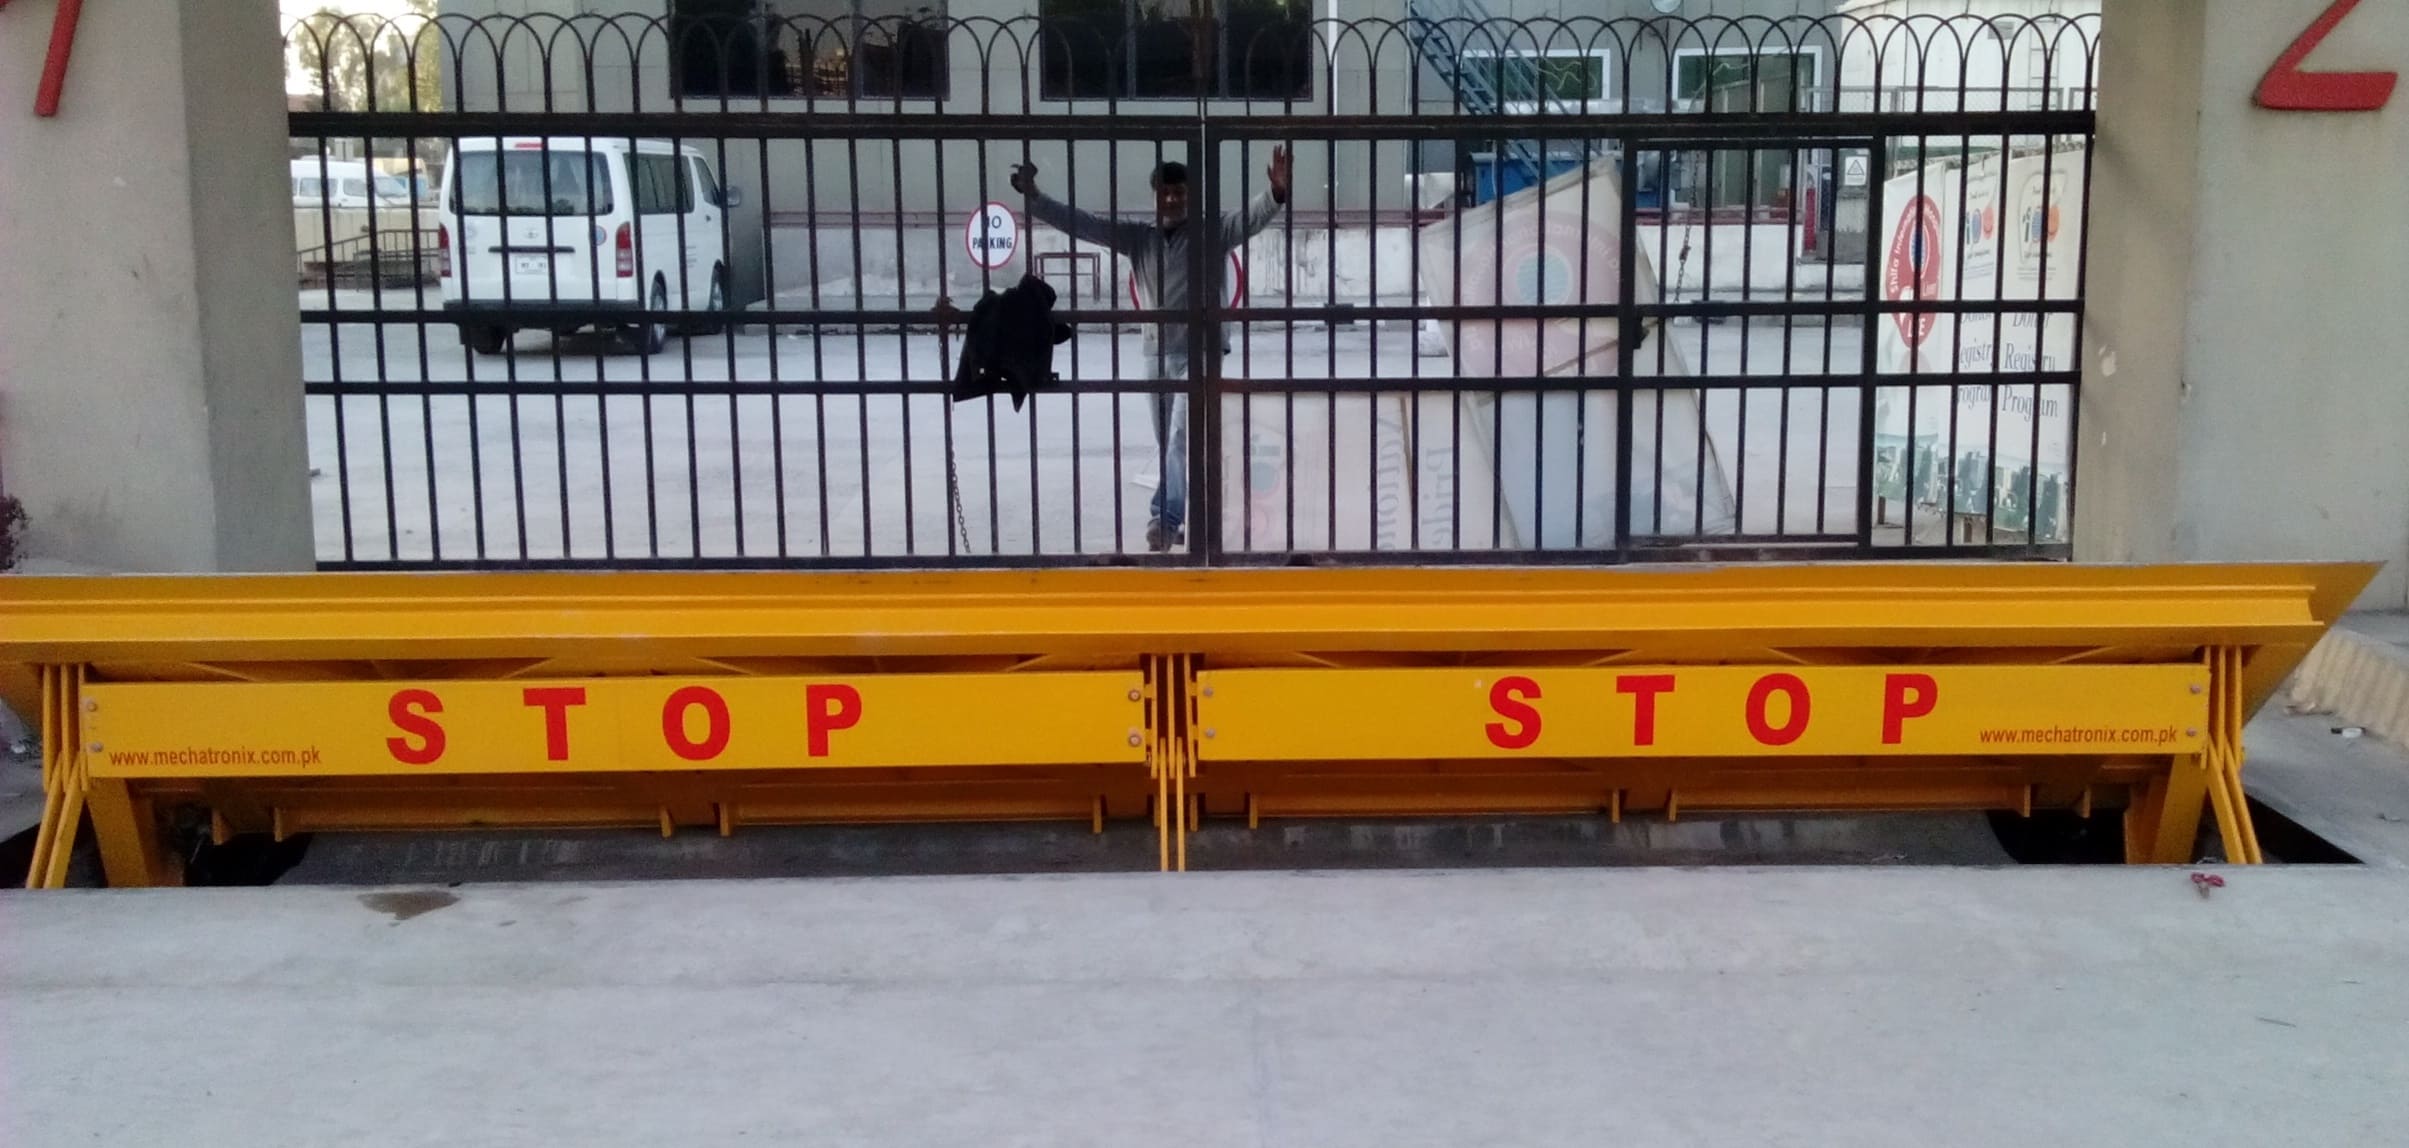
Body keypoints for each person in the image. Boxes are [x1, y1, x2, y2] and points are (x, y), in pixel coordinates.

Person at [1011, 147, 1291, 551]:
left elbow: (1250, 219)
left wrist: (1276, 193)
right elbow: (1084, 225)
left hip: (1200, 352)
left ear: (1190, 195)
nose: (1173, 199)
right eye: (1165, 192)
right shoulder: (1138, 239)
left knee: (1179, 438)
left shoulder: (1214, 231)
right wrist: (1035, 197)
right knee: (1170, 444)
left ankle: (1166, 517)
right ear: (1155, 196)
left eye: (1179, 192)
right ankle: (1190, 515)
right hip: (1155, 354)